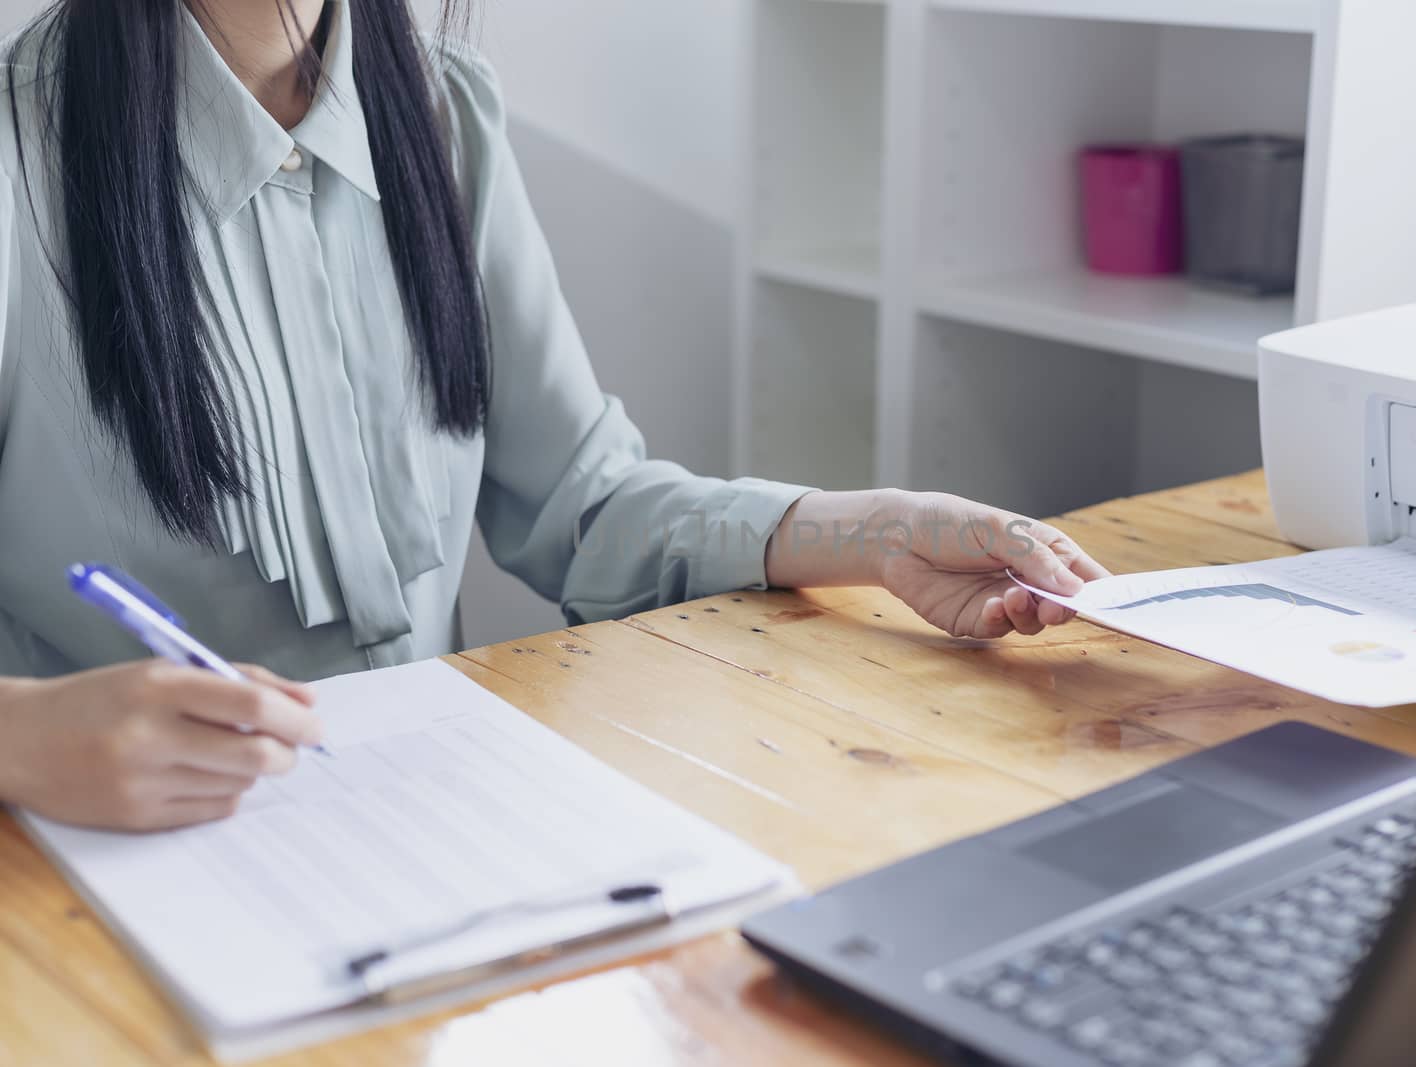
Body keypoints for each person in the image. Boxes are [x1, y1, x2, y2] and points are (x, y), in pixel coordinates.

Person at [0, 0, 1107, 832]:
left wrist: (872, 531)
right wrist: (23, 739)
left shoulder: (444, 111)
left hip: (427, 823)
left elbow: (582, 504)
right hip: (100, 870)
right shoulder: (16, 154)